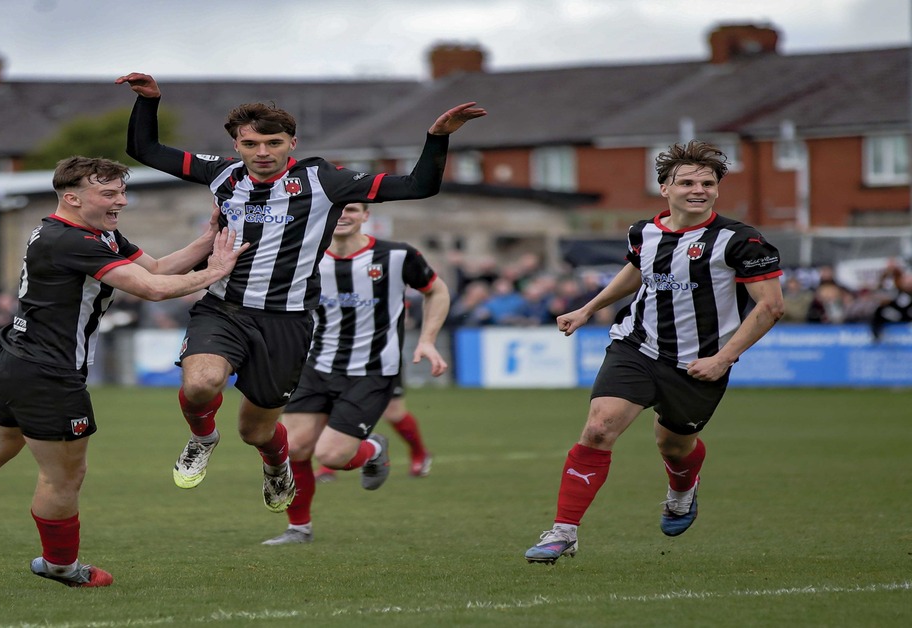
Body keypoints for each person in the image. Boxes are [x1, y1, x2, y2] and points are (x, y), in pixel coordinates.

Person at [114, 72, 484, 513]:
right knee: (200, 384)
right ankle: (202, 438)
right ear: (237, 145)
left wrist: (436, 137)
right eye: (250, 144)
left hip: (286, 321)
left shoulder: (325, 180)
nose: (262, 153)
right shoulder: (223, 175)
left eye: (272, 143)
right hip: (224, 308)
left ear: (292, 141)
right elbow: (145, 150)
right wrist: (150, 101)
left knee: (257, 431)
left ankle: (276, 465)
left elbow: (419, 185)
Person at [0, 156, 247, 589]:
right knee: (63, 476)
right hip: (48, 372)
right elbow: (152, 289)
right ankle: (61, 566)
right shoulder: (73, 241)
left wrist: (209, 238)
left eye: (121, 191)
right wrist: (215, 272)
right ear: (73, 198)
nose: (122, 201)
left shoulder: (92, 233)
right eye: (110, 194)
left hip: (14, 358)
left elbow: (154, 268)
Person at [523, 140, 785, 564]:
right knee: (598, 427)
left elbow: (771, 306)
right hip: (637, 345)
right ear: (665, 188)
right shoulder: (644, 231)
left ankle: (683, 490)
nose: (697, 189)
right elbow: (635, 270)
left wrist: (723, 358)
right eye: (686, 182)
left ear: (718, 189)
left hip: (699, 364)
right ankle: (564, 532)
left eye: (707, 182)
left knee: (673, 446)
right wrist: (590, 308)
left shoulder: (741, 241)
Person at [262, 202, 450, 545]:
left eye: (351, 209)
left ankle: (373, 451)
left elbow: (436, 290)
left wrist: (427, 339)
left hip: (373, 370)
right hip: (316, 365)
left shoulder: (396, 256)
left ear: (366, 215)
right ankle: (299, 528)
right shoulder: (305, 256)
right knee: (295, 447)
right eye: (335, 210)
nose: (343, 216)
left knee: (332, 456)